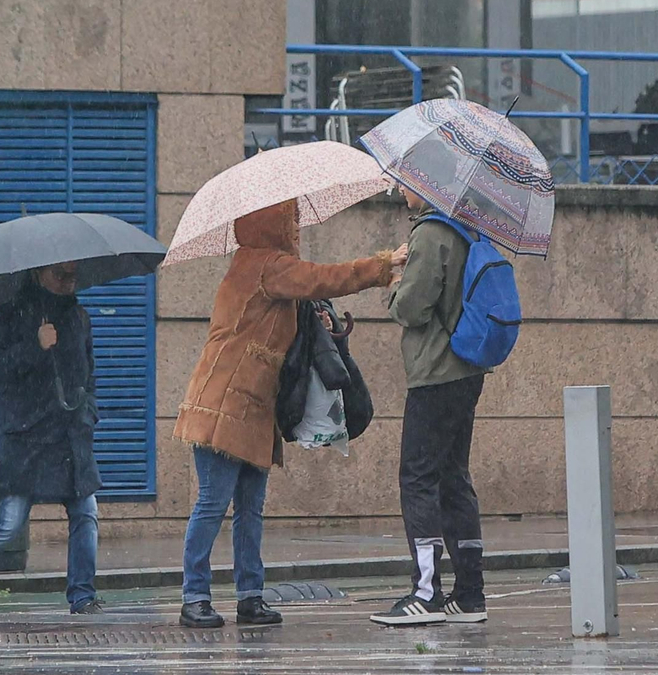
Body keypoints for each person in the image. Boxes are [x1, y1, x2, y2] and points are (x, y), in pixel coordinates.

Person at [172, 199, 403, 628]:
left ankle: (249, 595)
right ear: (269, 222)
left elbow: (302, 303)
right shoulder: (264, 264)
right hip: (226, 401)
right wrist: (383, 265)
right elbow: (323, 278)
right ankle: (195, 596)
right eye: (289, 219)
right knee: (214, 502)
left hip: (254, 407)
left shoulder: (266, 268)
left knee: (249, 507)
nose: (296, 228)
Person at [0, 261, 104, 616]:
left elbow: (89, 371)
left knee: (85, 513)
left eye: (72, 276)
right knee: (9, 522)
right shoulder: (11, 315)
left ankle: (82, 596)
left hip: (69, 434)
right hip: (25, 436)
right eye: (59, 275)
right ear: (38, 273)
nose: (67, 283)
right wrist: (35, 345)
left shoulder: (78, 317)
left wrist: (88, 411)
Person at [371, 186, 490, 626]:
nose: (400, 190)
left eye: (406, 183)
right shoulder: (469, 228)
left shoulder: (431, 234)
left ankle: (425, 593)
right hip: (467, 369)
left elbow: (413, 308)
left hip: (435, 372)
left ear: (426, 185)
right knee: (454, 478)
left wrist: (395, 285)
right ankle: (470, 593)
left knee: (417, 477)